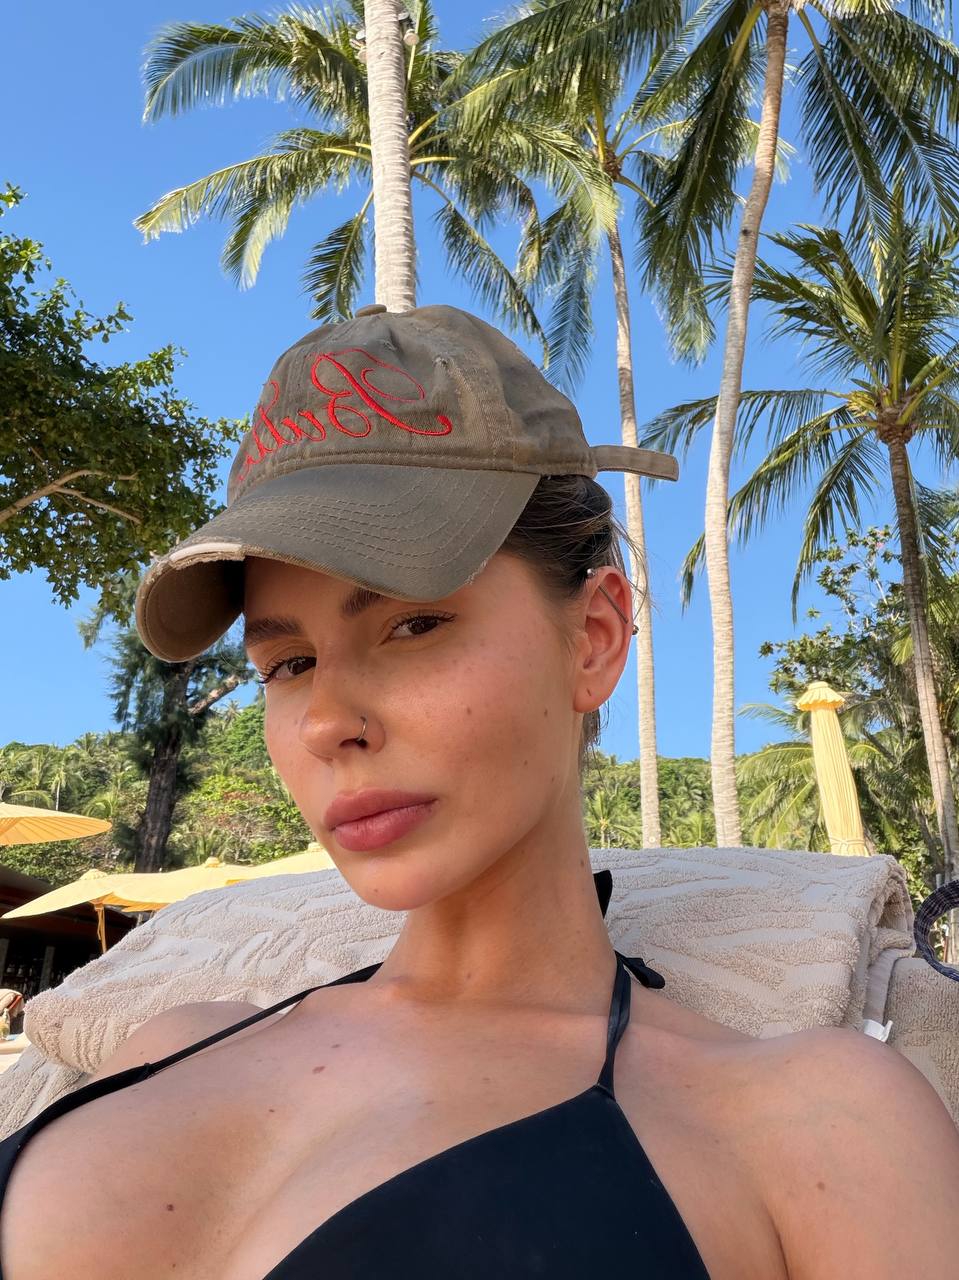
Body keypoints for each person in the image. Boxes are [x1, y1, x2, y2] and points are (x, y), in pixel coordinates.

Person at [0, 304, 957, 1279]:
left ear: (592, 638)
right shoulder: (167, 1039)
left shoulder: (809, 1126)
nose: (327, 721)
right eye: (288, 663)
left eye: (412, 626)